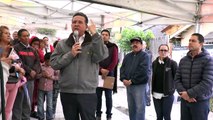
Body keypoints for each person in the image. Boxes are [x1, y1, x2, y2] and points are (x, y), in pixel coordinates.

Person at [50, 12, 108, 120]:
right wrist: (70, 54)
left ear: (86, 26)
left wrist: (95, 34)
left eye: (80, 22)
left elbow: (101, 55)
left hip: (87, 92)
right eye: (74, 22)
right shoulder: (62, 44)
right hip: (67, 92)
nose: (76, 24)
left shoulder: (93, 43)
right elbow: (54, 64)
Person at [175, 33, 213, 120]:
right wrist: (184, 94)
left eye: (193, 41)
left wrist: (189, 94)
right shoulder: (183, 60)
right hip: (185, 101)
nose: (190, 42)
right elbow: (177, 79)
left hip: (200, 102)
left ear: (201, 44)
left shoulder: (208, 60)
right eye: (189, 40)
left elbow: (207, 82)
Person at [12, 29, 41, 120]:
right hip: (20, 79)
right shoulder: (16, 48)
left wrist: (34, 71)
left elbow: (37, 61)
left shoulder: (33, 49)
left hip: (31, 80)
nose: (27, 37)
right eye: (24, 36)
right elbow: (18, 62)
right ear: (20, 37)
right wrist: (29, 71)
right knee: (18, 103)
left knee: (28, 102)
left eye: (28, 35)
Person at [120, 37, 150, 120]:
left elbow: (143, 71)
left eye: (137, 42)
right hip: (128, 85)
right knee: (131, 108)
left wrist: (132, 81)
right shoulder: (127, 56)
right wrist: (123, 79)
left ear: (141, 45)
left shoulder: (145, 56)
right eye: (133, 43)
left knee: (140, 108)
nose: (135, 44)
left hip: (139, 85)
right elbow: (122, 68)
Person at [96, 29, 118, 120]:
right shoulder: (97, 47)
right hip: (98, 74)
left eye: (106, 34)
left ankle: (109, 115)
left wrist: (107, 71)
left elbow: (115, 60)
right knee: (98, 96)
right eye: (102, 34)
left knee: (108, 96)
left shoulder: (113, 47)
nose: (104, 36)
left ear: (109, 37)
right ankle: (98, 114)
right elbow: (95, 60)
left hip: (109, 74)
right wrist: (101, 70)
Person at [152, 44, 177, 120]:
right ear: (158, 51)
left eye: (165, 50)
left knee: (167, 116)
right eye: (161, 50)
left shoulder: (173, 63)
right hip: (156, 94)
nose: (163, 52)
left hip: (167, 95)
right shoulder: (154, 63)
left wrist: (172, 89)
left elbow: (177, 78)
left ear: (168, 52)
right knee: (159, 116)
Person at [37, 52, 57, 120]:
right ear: (45, 60)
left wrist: (50, 77)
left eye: (50, 61)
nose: (49, 63)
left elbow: (58, 77)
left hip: (50, 89)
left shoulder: (54, 67)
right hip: (40, 88)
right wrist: (41, 75)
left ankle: (49, 117)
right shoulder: (40, 66)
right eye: (48, 61)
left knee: (49, 104)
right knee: (40, 103)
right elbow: (37, 75)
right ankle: (40, 117)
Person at [142, 41, 152, 106]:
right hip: (140, 74)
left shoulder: (148, 53)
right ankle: (142, 100)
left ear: (145, 45)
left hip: (147, 73)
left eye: (143, 44)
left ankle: (148, 100)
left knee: (147, 87)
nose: (142, 45)